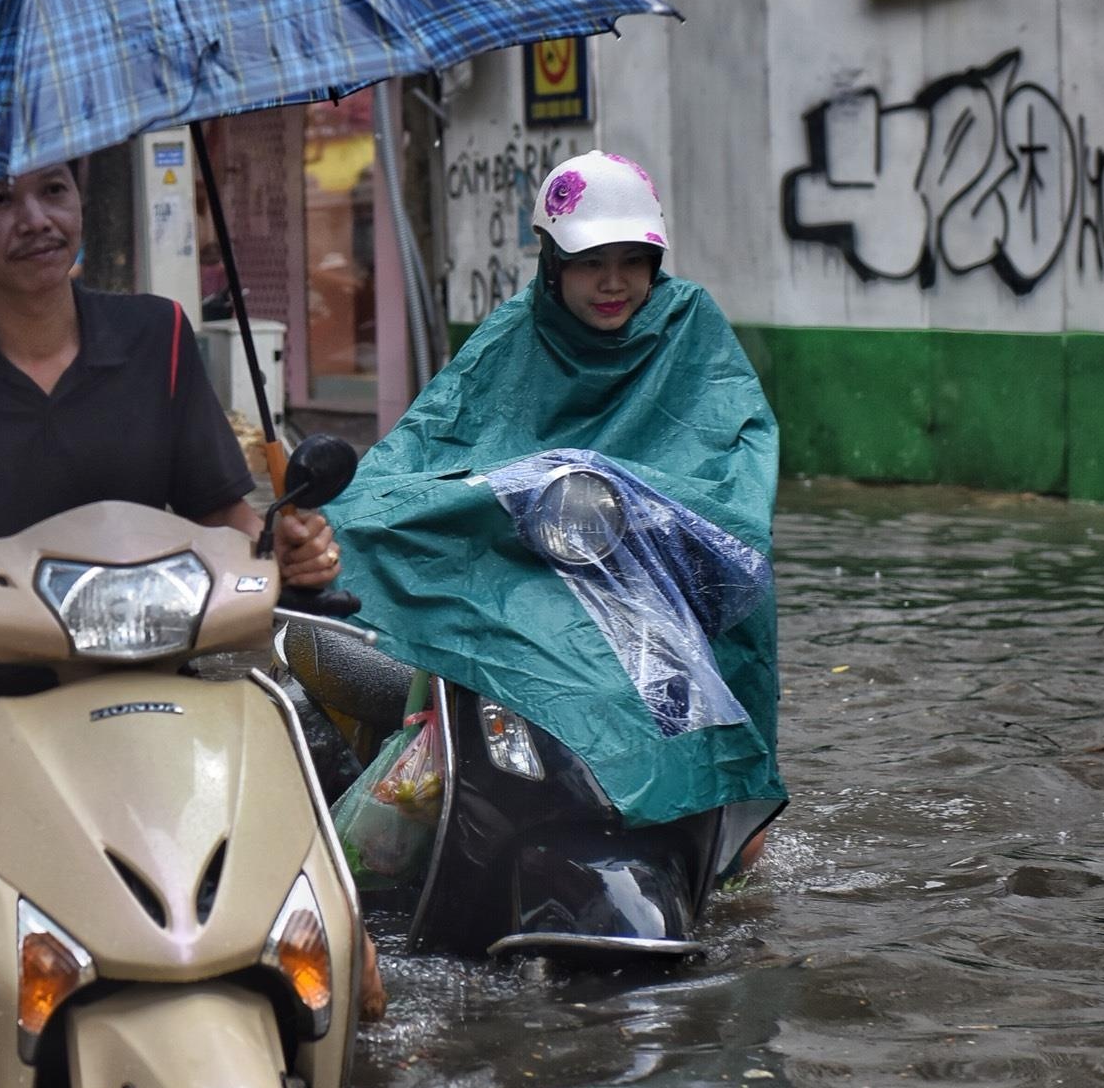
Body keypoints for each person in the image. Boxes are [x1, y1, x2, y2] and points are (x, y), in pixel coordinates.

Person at [0, 163, 370, 1065]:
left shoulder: (159, 339)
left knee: (354, 980)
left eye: (53, 191)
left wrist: (286, 546)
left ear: (82, 201)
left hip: (168, 699)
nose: (33, 220)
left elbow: (225, 513)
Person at [328, 151, 784, 873]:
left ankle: (720, 813)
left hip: (656, 582)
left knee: (733, 803)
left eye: (633, 261)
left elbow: (737, 473)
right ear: (550, 261)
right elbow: (418, 452)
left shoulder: (690, 326)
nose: (613, 283)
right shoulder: (513, 336)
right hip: (524, 581)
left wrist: (622, 495)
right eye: (590, 261)